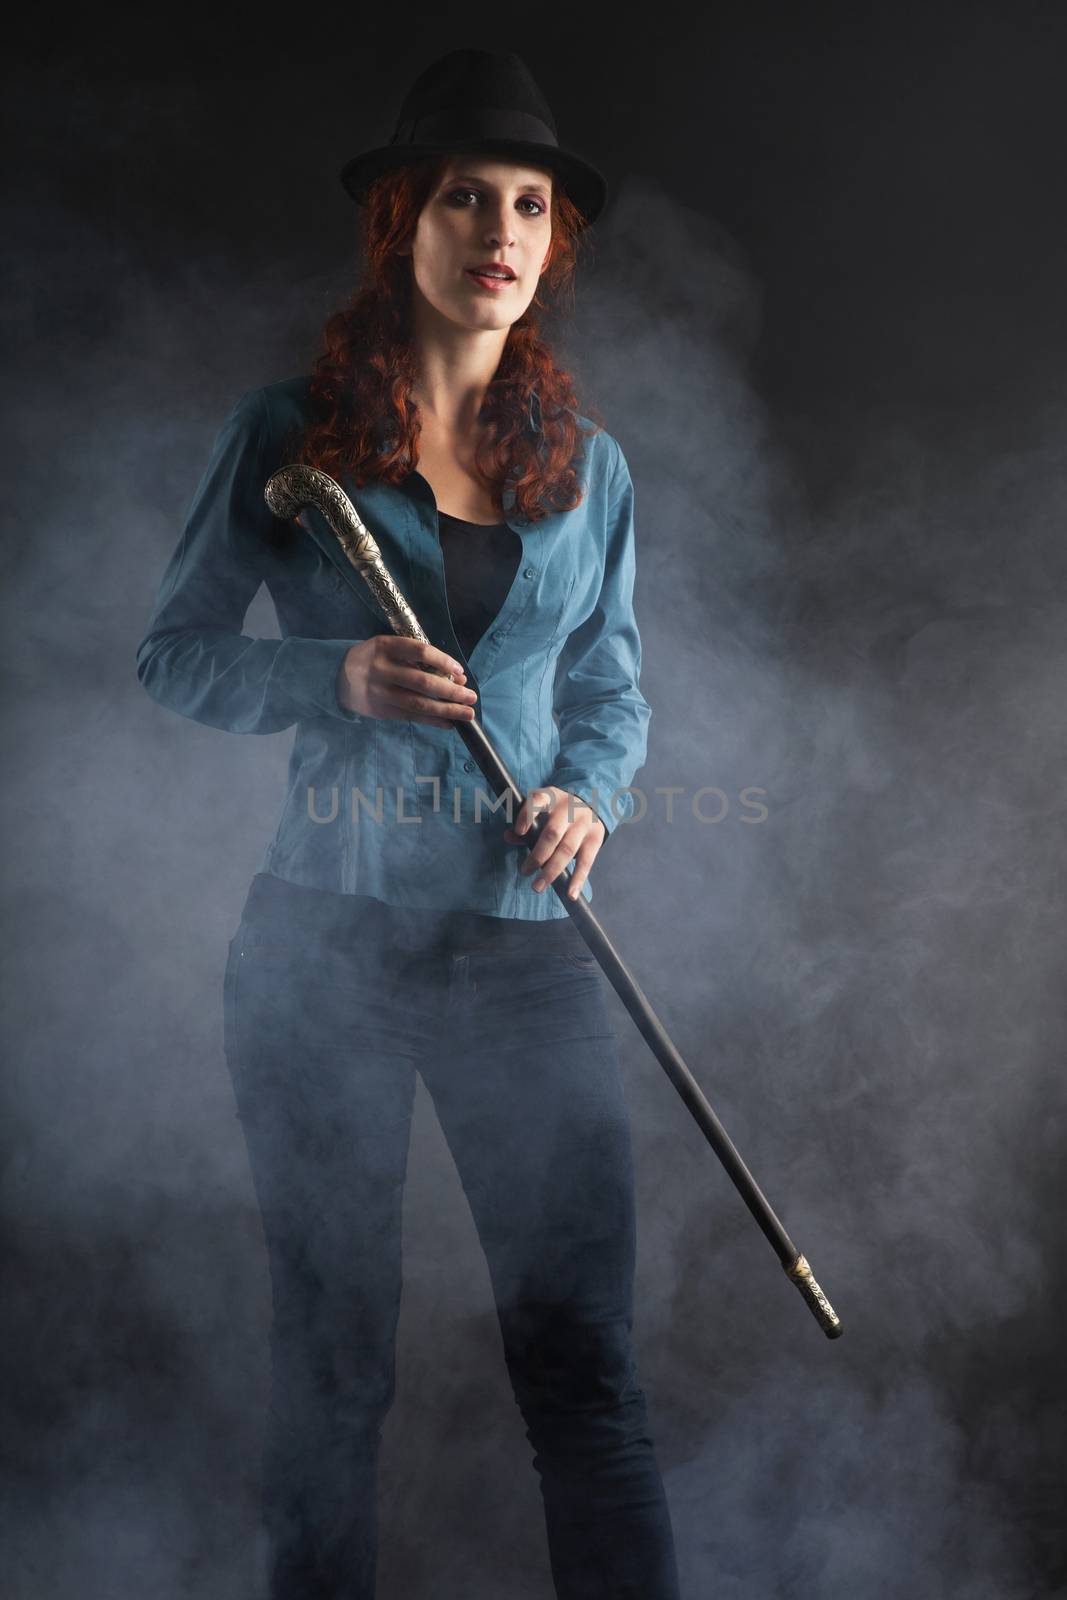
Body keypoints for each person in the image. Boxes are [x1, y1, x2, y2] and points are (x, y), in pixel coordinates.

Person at [136, 46, 681, 1600]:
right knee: (333, 1380)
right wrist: (335, 677)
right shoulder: (284, 434)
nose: (501, 230)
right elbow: (172, 655)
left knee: (586, 1376)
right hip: (326, 955)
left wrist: (592, 795)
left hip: (527, 957)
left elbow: (614, 695)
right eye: (465, 196)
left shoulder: (593, 471)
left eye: (529, 204)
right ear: (403, 220)